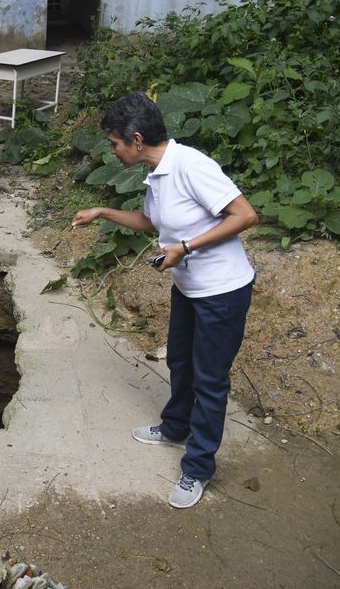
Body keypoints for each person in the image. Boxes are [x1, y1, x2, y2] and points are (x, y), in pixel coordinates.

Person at [70, 92, 259, 509]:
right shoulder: (157, 173)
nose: (112, 150)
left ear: (136, 139)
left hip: (222, 292)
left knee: (210, 380)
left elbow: (245, 215)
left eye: (114, 143)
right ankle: (175, 428)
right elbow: (151, 222)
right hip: (189, 289)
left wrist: (186, 248)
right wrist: (101, 211)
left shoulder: (191, 166)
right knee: (179, 360)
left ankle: (197, 468)